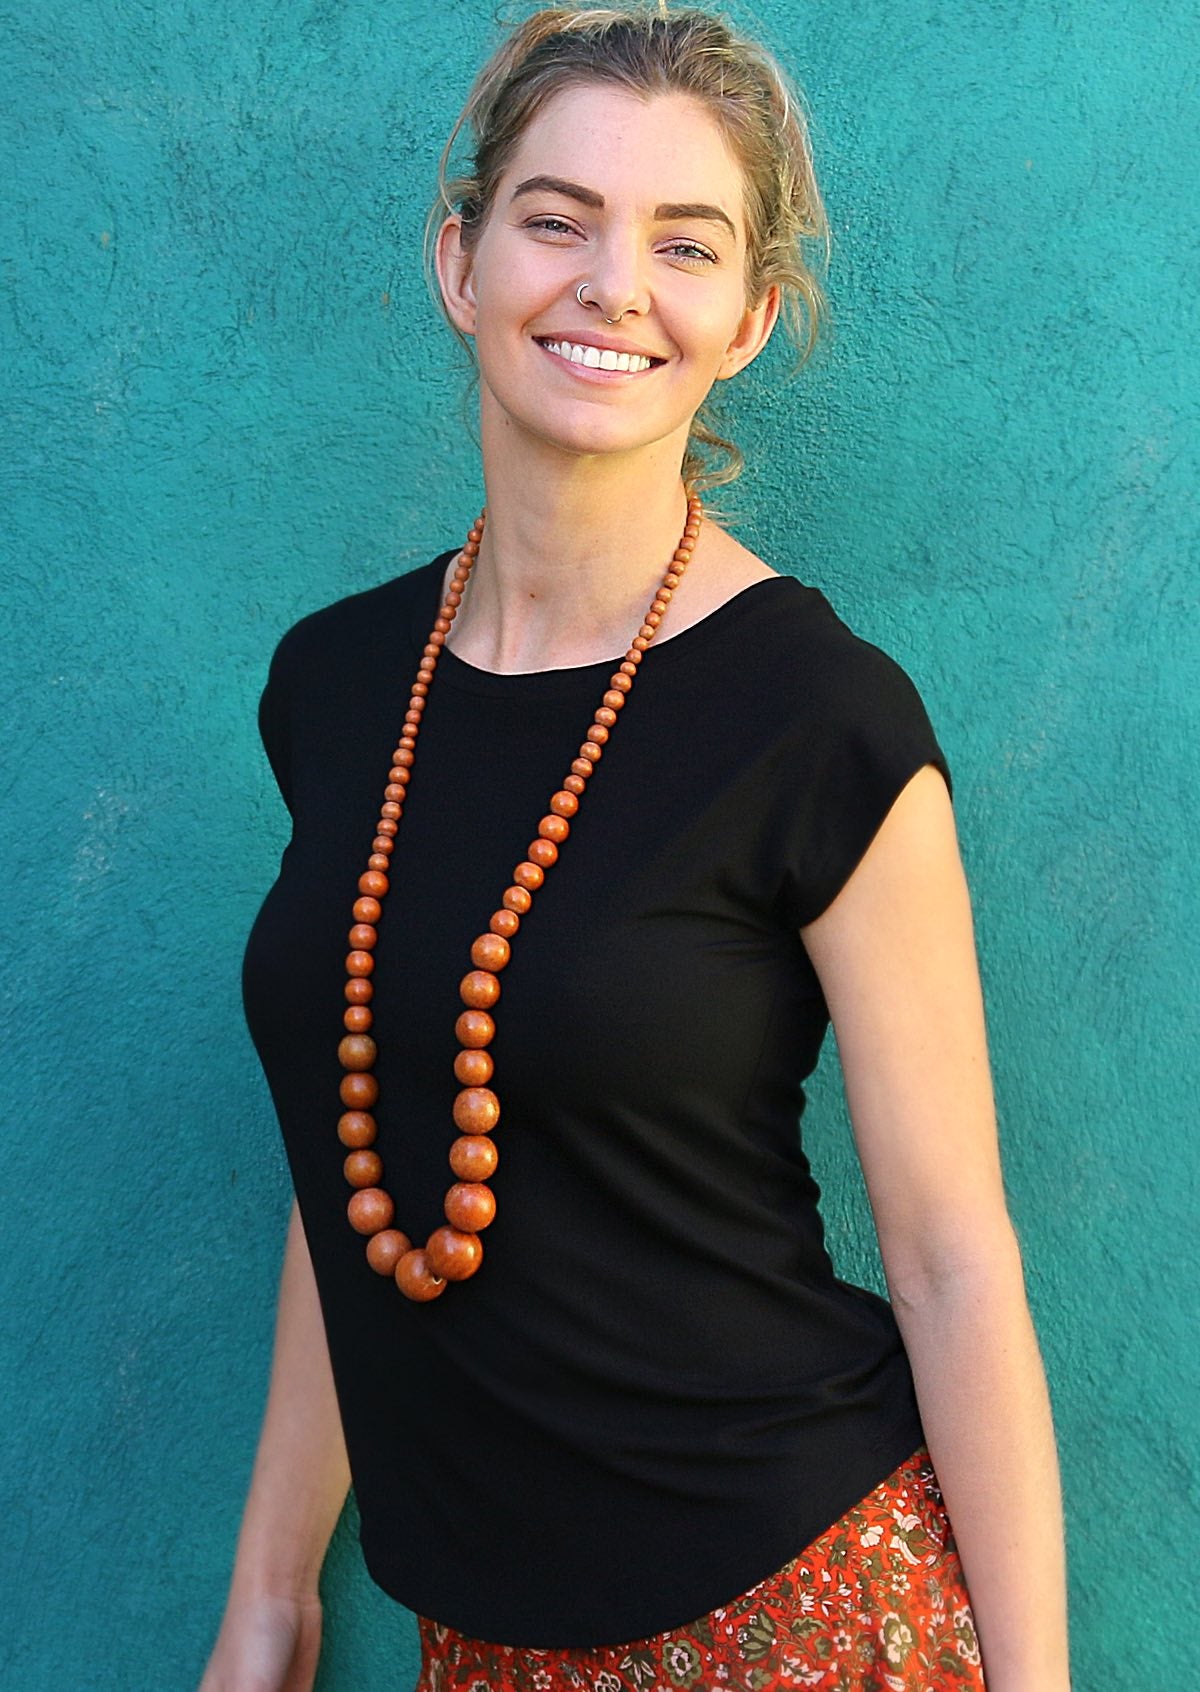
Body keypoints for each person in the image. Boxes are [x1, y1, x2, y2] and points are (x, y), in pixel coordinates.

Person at [201, 6, 1071, 1689]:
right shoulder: (337, 684)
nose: (614, 286)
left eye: (686, 243)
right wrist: (270, 1598)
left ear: (748, 318)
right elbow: (352, 1154)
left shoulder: (820, 716)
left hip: (800, 1615)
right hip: (482, 1643)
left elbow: (954, 1262)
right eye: (559, 220)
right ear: (461, 262)